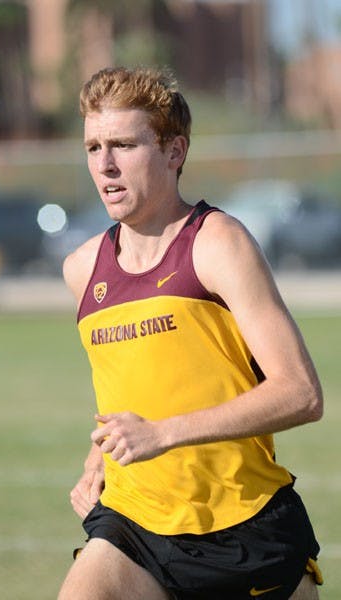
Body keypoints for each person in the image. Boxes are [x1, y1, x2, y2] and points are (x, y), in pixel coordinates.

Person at [58, 66, 324, 600]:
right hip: (136, 525)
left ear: (174, 151)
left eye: (124, 145)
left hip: (245, 527)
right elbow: (130, 394)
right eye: (93, 147)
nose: (105, 164)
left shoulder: (217, 244)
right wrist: (98, 463)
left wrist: (161, 434)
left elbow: (301, 393)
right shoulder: (82, 269)